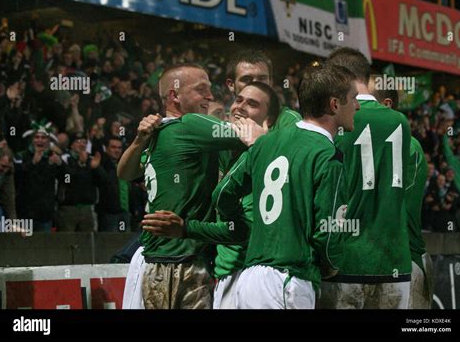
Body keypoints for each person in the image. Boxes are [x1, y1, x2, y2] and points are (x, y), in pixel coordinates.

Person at [151, 63, 357, 309]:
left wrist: (236, 226)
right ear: (334, 105)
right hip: (288, 279)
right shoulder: (327, 154)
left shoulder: (263, 145)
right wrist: (328, 265)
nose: (357, 105)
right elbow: (329, 231)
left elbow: (223, 193)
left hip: (248, 279)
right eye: (353, 99)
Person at [118, 63, 264, 309]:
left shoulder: (160, 132)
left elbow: (125, 173)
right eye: (201, 90)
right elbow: (253, 138)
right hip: (186, 258)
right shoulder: (191, 124)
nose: (210, 96)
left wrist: (138, 139)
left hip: (157, 260)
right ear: (174, 95)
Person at [142, 81, 280, 309]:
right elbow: (129, 172)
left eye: (253, 104)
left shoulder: (268, 163)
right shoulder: (219, 151)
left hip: (256, 277)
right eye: (238, 100)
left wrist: (187, 228)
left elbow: (243, 231)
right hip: (223, 275)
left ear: (269, 121)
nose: (241, 107)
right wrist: (140, 139)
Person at [319, 47, 412, 309]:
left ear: (338, 77)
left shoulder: (333, 121)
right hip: (395, 264)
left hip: (345, 265)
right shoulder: (400, 121)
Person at [370, 84, 434, 309]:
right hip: (381, 260)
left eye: (366, 101)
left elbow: (393, 208)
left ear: (386, 105)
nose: (357, 107)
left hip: (407, 261)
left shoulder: (408, 146)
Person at [225, 49, 301, 129]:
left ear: (270, 82)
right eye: (246, 79)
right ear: (231, 84)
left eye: (262, 79)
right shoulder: (219, 120)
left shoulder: (289, 121)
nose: (256, 85)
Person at [14, 121, 64, 232]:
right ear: (32, 139)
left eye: (43, 137)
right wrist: (33, 162)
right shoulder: (21, 155)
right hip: (25, 212)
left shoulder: (53, 156)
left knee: (43, 247)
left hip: (45, 214)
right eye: (37, 137)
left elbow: (67, 180)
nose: (40, 140)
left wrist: (61, 165)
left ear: (49, 141)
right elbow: (17, 178)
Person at [56, 132, 105, 232]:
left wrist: (96, 168)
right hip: (69, 208)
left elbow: (104, 181)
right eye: (78, 141)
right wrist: (81, 165)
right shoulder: (64, 159)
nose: (82, 144)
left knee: (87, 242)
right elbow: (68, 179)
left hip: (88, 208)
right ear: (72, 144)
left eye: (84, 142)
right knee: (67, 240)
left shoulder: (91, 160)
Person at [96, 136, 131, 232]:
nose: (117, 150)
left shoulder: (124, 164)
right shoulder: (101, 164)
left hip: (126, 213)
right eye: (113, 147)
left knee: (127, 244)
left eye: (119, 148)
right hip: (109, 214)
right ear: (106, 149)